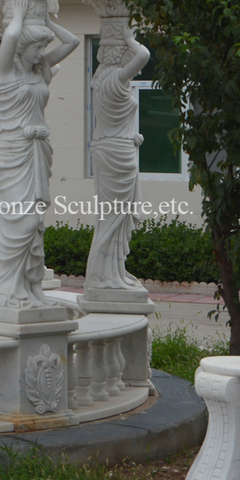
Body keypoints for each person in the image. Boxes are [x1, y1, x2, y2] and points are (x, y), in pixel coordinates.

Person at [0, 0, 78, 309]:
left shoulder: (39, 69)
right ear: (22, 46)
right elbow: (8, 36)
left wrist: (45, 21)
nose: (42, 54)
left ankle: (27, 288)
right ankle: (5, 289)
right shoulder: (3, 70)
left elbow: (73, 42)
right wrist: (19, 17)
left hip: (36, 150)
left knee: (33, 220)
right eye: (37, 47)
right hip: (13, 149)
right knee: (17, 218)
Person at [86, 24, 151, 290]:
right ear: (122, 55)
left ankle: (113, 271)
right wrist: (129, 38)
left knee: (111, 216)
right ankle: (104, 276)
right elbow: (144, 55)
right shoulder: (117, 78)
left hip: (107, 147)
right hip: (118, 155)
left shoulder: (99, 80)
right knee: (114, 217)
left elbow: (110, 122)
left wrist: (131, 135)